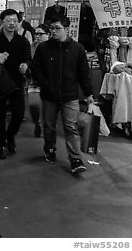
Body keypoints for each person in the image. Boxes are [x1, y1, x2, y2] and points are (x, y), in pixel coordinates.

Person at [32, 15, 94, 174]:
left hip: (70, 96)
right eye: (52, 28)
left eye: (57, 28)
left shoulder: (77, 48)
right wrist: (45, 85)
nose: (53, 31)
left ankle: (75, 159)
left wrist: (88, 93)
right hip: (49, 96)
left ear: (67, 29)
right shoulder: (43, 48)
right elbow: (36, 69)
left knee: (71, 127)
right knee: (49, 126)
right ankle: (50, 149)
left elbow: (83, 73)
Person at [0, 9, 32, 159]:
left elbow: (28, 58)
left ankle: (10, 135)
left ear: (18, 22)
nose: (12, 23)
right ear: (2, 22)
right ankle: (1, 144)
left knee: (18, 114)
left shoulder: (23, 41)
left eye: (15, 20)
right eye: (8, 20)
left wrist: (26, 65)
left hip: (17, 83)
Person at [25, 24, 50, 138]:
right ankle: (37, 123)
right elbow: (27, 60)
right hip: (34, 80)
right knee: (33, 104)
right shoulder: (32, 47)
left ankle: (48, 127)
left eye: (41, 34)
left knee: (48, 107)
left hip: (50, 81)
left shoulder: (53, 47)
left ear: (48, 35)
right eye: (36, 34)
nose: (38, 36)